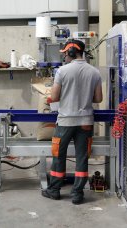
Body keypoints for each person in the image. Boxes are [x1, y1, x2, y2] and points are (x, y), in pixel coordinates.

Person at [41, 39, 103, 205]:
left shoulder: (62, 71)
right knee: (82, 157)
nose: (64, 58)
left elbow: (54, 97)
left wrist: (50, 99)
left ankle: (54, 190)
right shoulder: (94, 72)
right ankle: (77, 194)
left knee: (58, 155)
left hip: (65, 122)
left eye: (65, 54)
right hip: (86, 122)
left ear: (71, 52)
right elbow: (98, 98)